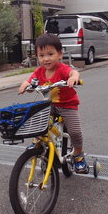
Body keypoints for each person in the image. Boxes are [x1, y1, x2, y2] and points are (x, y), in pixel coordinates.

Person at [18, 33, 88, 174]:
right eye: (41, 55)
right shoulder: (39, 71)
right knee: (37, 120)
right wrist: (26, 85)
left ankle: (78, 155)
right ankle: (39, 144)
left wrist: (74, 78)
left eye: (50, 54)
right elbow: (32, 82)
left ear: (60, 54)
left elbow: (73, 73)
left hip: (67, 105)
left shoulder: (62, 69)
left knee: (75, 132)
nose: (46, 59)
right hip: (49, 105)